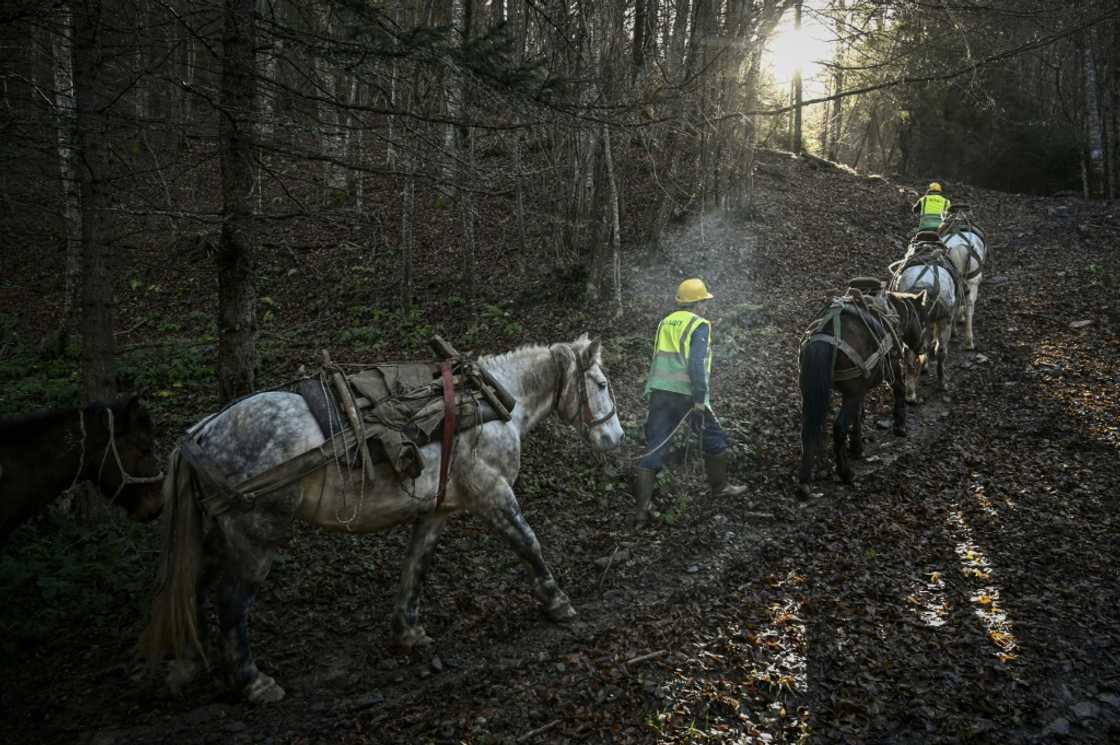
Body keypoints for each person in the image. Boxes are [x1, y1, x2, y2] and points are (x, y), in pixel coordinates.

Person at [633, 278, 748, 525]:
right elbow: (696, 365)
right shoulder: (700, 324)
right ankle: (720, 487)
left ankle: (642, 510)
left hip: (660, 391)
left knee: (655, 446)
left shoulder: (666, 322)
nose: (706, 307)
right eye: (704, 302)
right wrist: (698, 401)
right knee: (715, 439)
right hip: (686, 394)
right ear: (696, 303)